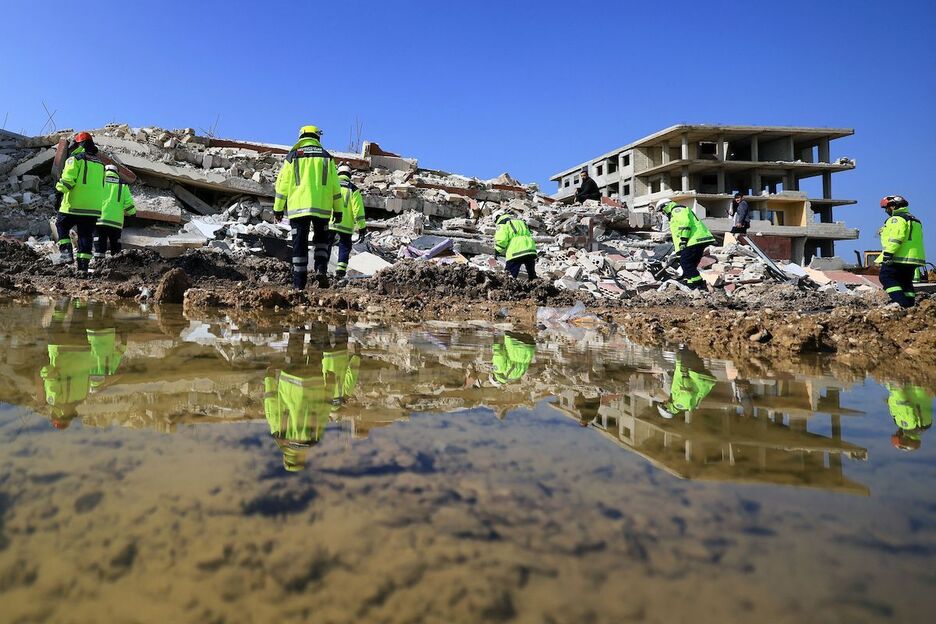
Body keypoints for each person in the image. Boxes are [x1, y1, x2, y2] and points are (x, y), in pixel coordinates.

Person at [273, 125, 343, 289]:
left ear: (301, 137)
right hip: (323, 208)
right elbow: (335, 187)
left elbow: (282, 186)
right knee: (322, 241)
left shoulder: (293, 157)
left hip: (298, 209)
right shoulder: (327, 157)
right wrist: (338, 210)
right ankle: (320, 269)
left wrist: (278, 209)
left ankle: (299, 284)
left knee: (300, 245)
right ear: (317, 137)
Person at [263, 323, 332, 472]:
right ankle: (297, 322)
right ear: (286, 458)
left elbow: (325, 410)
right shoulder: (279, 436)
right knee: (294, 351)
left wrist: (331, 386)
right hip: (290, 382)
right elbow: (271, 405)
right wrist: (269, 379)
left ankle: (319, 322)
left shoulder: (314, 439)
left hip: (315, 384)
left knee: (316, 355)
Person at [55, 132, 107, 277]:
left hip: (74, 205)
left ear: (78, 144)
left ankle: (66, 253)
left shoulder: (74, 159)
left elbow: (67, 181)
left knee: (61, 225)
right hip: (93, 208)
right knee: (85, 237)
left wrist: (58, 191)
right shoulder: (100, 164)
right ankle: (83, 270)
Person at [876, 195, 926, 308]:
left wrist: (888, 254)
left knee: (886, 277)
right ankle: (909, 306)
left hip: (899, 257)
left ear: (893, 207)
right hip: (913, 259)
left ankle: (900, 303)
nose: (886, 211)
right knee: (905, 282)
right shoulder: (915, 220)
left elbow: (896, 238)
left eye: (886, 208)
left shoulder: (896, 219)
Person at [656, 198, 716, 291]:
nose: (663, 213)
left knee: (686, 263)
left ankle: (700, 285)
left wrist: (684, 240)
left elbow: (685, 224)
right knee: (690, 264)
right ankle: (691, 285)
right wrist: (679, 250)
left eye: (662, 210)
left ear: (665, 206)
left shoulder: (676, 210)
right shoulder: (674, 213)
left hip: (693, 240)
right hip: (695, 240)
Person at [93, 164, 136, 266]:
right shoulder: (122, 185)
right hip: (116, 223)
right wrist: (132, 213)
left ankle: (98, 264)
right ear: (116, 172)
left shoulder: (99, 181)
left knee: (99, 242)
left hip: (100, 220)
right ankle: (116, 265)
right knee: (115, 244)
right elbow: (128, 204)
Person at [330, 164, 367, 280]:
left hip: (330, 222)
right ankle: (340, 272)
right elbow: (358, 210)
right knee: (344, 247)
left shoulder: (331, 185)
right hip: (346, 225)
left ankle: (321, 269)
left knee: (325, 245)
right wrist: (362, 227)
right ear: (349, 175)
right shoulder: (354, 189)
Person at [657, 354, 716, 419]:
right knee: (686, 350)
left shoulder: (675, 401)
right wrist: (685, 374)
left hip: (697, 377)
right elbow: (687, 394)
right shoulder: (679, 405)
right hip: (695, 375)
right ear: (668, 408)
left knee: (692, 350)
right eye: (663, 404)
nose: (664, 401)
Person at [887, 383, 933, 451]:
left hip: (925, 385)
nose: (896, 432)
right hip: (912, 384)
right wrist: (892, 385)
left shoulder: (924, 425)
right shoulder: (908, 426)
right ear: (904, 438)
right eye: (897, 434)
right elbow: (903, 402)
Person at [494, 212, 538, 279]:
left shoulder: (502, 223)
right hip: (530, 249)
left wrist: (498, 250)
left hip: (516, 250)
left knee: (509, 276)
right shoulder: (519, 221)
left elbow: (502, 240)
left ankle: (508, 288)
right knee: (532, 274)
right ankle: (537, 287)